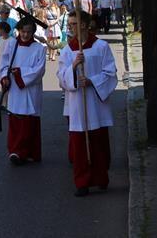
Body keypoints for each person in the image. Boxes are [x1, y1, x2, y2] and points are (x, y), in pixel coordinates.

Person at [57, 11, 118, 197]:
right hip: (77, 104)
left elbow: (111, 73)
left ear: (84, 24)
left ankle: (101, 178)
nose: (71, 27)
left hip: (96, 104)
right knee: (80, 145)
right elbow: (61, 77)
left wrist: (92, 81)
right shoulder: (68, 50)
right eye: (70, 23)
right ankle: (82, 182)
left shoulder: (101, 46)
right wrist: (73, 67)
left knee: (98, 143)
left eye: (75, 23)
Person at [0, 17, 47, 165]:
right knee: (15, 120)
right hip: (14, 88)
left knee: (29, 122)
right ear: (18, 30)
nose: (25, 35)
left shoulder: (39, 48)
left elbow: (39, 71)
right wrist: (4, 76)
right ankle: (15, 151)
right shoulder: (12, 44)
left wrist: (19, 73)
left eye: (29, 32)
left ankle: (29, 151)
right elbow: (4, 63)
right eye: (23, 31)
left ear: (33, 32)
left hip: (30, 88)